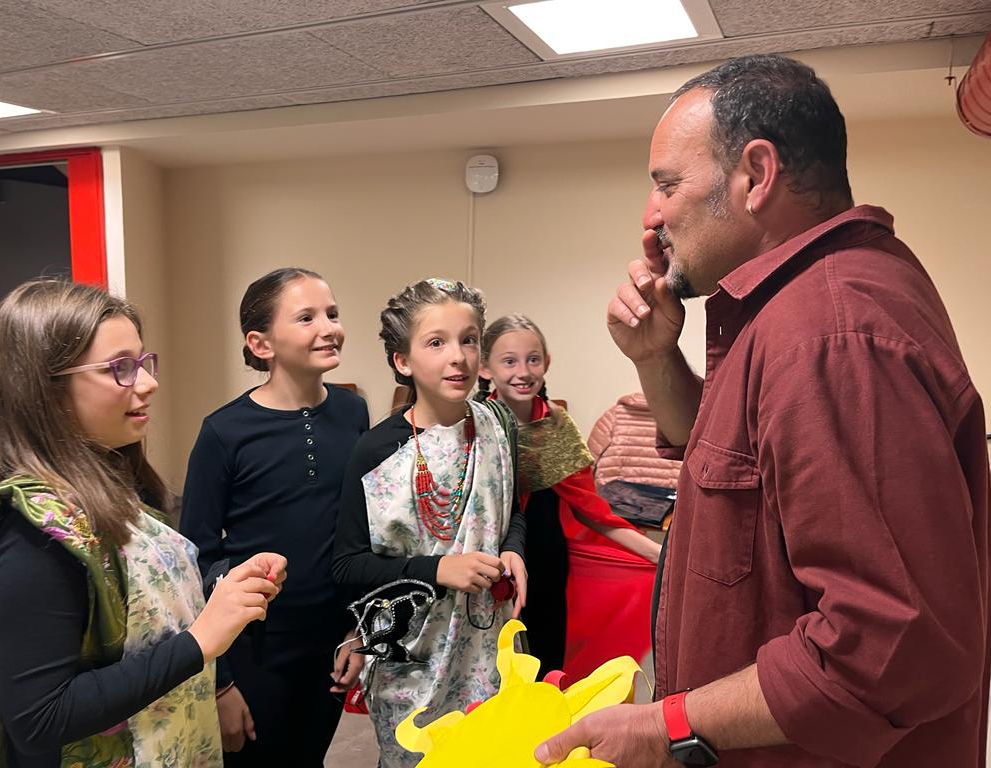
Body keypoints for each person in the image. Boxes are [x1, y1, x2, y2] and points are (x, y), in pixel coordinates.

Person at [536, 53, 990, 768]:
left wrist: (665, 725)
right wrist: (656, 356)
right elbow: (733, 468)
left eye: (667, 184)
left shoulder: (829, 333)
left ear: (756, 174)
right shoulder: (800, 310)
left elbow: (892, 648)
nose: (652, 217)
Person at [0, 279, 287, 768]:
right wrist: (201, 640)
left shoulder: (111, 484)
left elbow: (137, 606)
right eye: (120, 368)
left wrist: (223, 590)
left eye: (142, 362)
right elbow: (39, 718)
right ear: (46, 390)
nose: (148, 382)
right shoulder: (33, 535)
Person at [332, 278, 528, 768]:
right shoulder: (377, 451)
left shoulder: (497, 426)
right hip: (409, 659)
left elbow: (512, 511)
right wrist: (437, 570)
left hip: (489, 648)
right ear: (403, 361)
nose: (458, 357)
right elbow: (347, 566)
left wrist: (513, 549)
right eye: (436, 343)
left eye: (468, 339)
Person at [180, 267, 369, 767]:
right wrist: (220, 684)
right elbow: (195, 555)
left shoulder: (354, 414)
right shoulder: (224, 432)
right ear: (261, 344)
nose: (328, 327)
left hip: (331, 639)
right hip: (255, 647)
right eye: (306, 317)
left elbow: (359, 531)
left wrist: (357, 629)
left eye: (332, 313)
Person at [477, 313, 659, 673]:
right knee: (489, 668)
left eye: (533, 359)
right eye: (509, 361)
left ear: (546, 363)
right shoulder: (472, 424)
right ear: (485, 369)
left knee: (546, 665)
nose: (523, 371)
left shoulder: (557, 425)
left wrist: (660, 555)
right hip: (484, 564)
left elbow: (593, 511)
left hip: (546, 565)